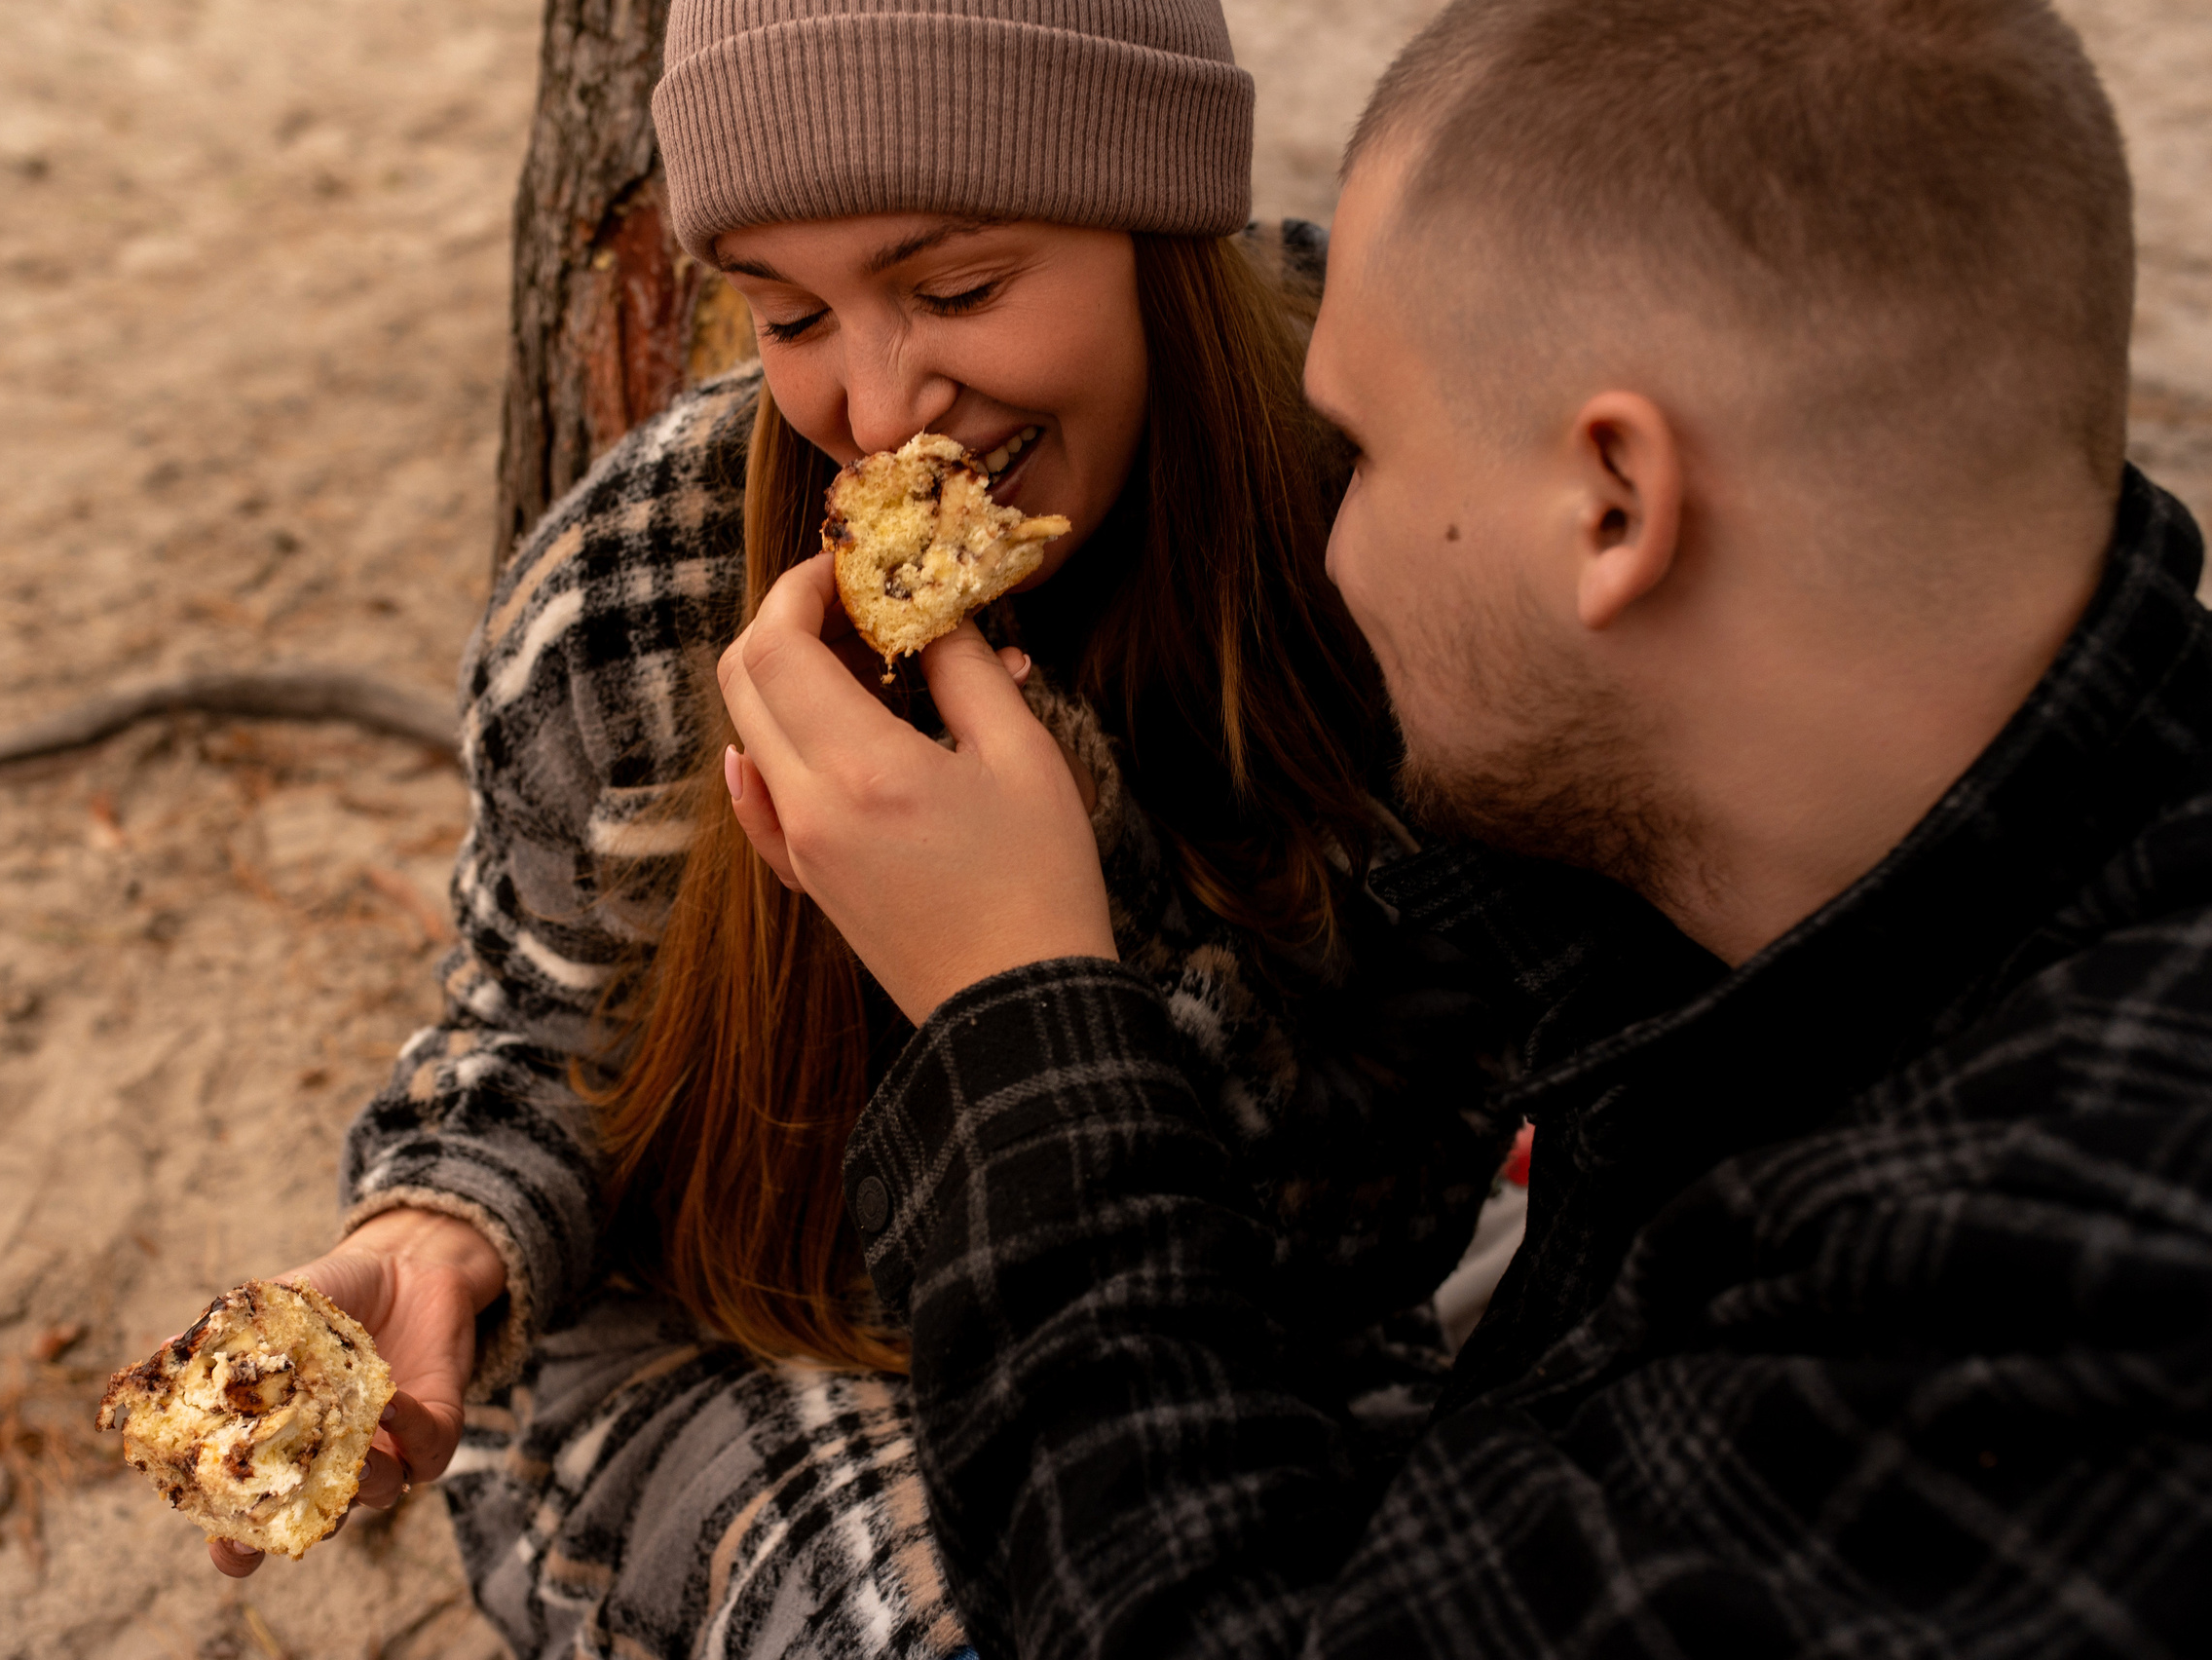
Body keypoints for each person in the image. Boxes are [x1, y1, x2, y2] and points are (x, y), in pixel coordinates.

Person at [717, 0, 2212, 1653]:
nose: (1332, 543)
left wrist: (1015, 1009)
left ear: (1614, 508)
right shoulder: (1876, 876)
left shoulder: (2054, 1291)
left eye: (1354, 452)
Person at [192, 3, 1526, 1656]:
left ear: (1161, 218)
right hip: (775, 1350)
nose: (883, 403)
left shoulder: (1396, 503)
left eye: (958, 289)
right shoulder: (640, 597)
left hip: (1284, 1334)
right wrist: (438, 1230)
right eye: (789, 311)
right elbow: (534, 1039)